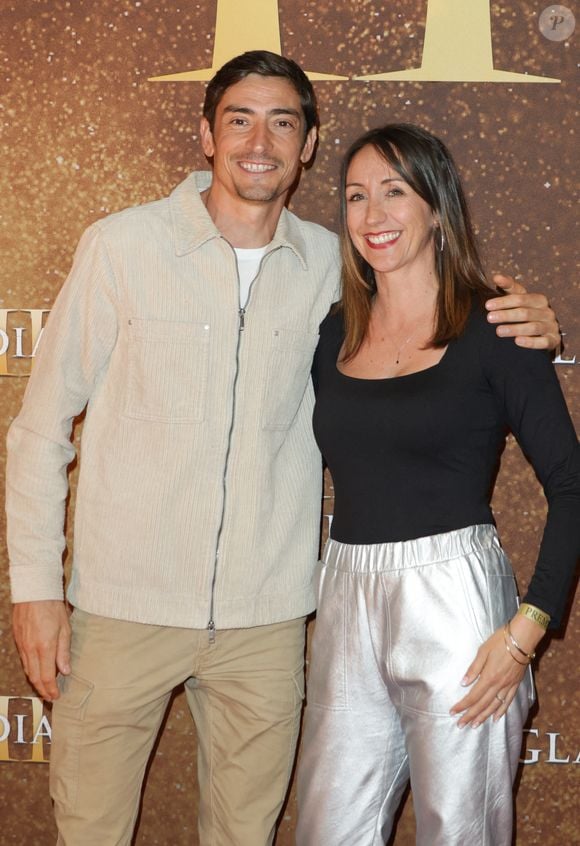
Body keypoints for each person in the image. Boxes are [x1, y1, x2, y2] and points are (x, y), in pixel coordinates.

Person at [5, 52, 560, 846]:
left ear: (306, 146)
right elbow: (39, 428)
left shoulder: (339, 273)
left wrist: (527, 317)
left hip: (266, 627)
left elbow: (438, 297)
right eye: (239, 118)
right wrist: (34, 588)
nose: (258, 140)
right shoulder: (120, 249)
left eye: (283, 122)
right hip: (120, 610)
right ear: (206, 134)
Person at [295, 124, 580, 846]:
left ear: (436, 205)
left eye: (395, 191)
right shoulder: (332, 335)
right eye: (356, 196)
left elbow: (573, 484)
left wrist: (528, 630)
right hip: (345, 593)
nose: (373, 214)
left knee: (461, 832)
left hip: (455, 605)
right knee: (329, 831)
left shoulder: (496, 327)